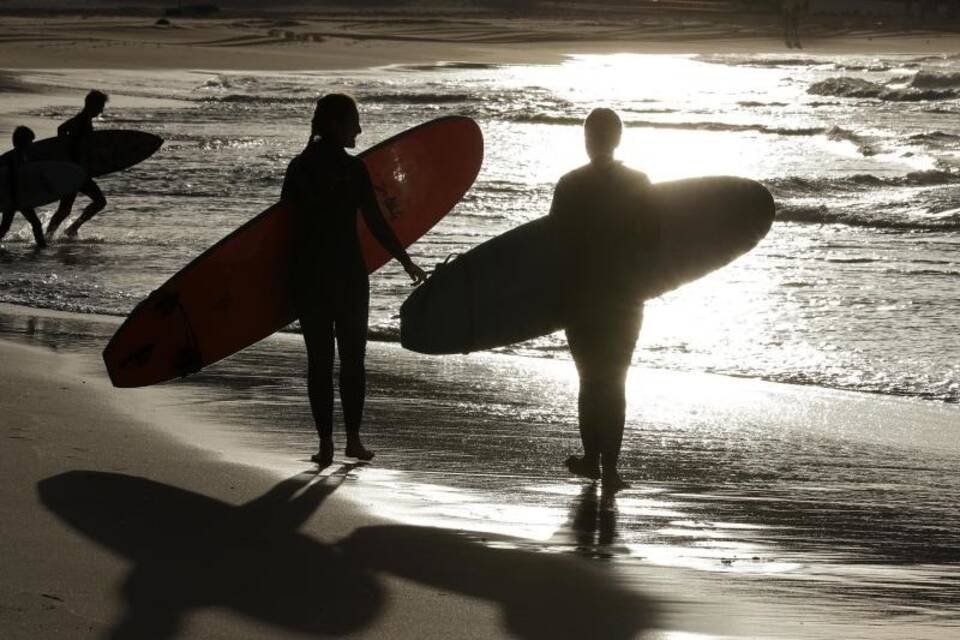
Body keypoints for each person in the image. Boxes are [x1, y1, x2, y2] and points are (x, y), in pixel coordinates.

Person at [282, 93, 426, 468]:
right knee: (352, 362)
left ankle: (327, 444)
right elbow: (377, 223)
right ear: (334, 125)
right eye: (353, 121)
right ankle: (353, 441)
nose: (359, 129)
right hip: (346, 275)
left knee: (319, 362)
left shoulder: (298, 169)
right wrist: (404, 259)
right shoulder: (352, 170)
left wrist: (280, 283)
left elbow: (281, 229)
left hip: (309, 275)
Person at [548, 108, 656, 492]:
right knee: (614, 381)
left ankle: (593, 459)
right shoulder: (639, 182)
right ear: (618, 138)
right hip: (626, 299)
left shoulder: (569, 184)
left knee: (590, 380)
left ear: (588, 139)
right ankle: (609, 468)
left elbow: (553, 244)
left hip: (581, 297)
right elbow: (653, 242)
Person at [45, 89, 109, 239]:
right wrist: (67, 154)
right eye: (100, 106)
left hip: (77, 171)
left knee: (65, 209)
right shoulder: (81, 120)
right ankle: (63, 231)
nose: (101, 110)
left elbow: (62, 130)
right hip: (75, 172)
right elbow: (61, 129)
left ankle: (50, 235)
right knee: (99, 202)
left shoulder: (84, 119)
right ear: (92, 105)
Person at [0, 126, 47, 248]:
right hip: (14, 197)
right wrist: (16, 200)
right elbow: (12, 179)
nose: (32, 144)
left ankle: (41, 245)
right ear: (23, 143)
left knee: (5, 227)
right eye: (30, 142)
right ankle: (41, 246)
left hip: (16, 197)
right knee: (35, 223)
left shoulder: (20, 156)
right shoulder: (14, 157)